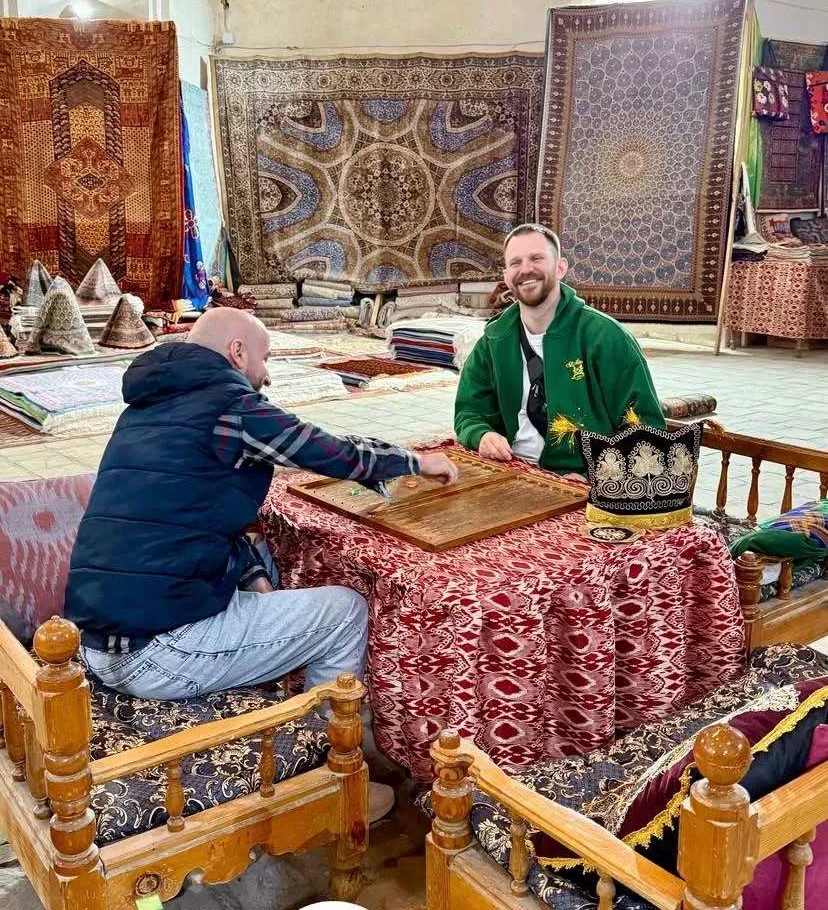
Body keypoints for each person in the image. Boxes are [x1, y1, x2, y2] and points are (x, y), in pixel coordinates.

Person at [66, 308, 458, 701]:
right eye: (265, 359)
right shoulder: (231, 407)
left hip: (95, 640)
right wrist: (416, 462)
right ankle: (322, 730)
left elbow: (192, 515)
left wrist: (254, 576)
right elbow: (329, 451)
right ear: (238, 352)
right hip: (156, 653)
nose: (267, 375)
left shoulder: (144, 408)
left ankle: (274, 660)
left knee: (264, 555)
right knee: (346, 611)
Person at [454, 224, 665, 475]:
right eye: (515, 262)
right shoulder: (493, 340)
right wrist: (482, 435)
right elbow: (469, 412)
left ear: (560, 267)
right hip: (509, 471)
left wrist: (596, 477)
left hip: (586, 480)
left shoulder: (606, 338)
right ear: (507, 275)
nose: (526, 269)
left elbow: (645, 430)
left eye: (537, 258)